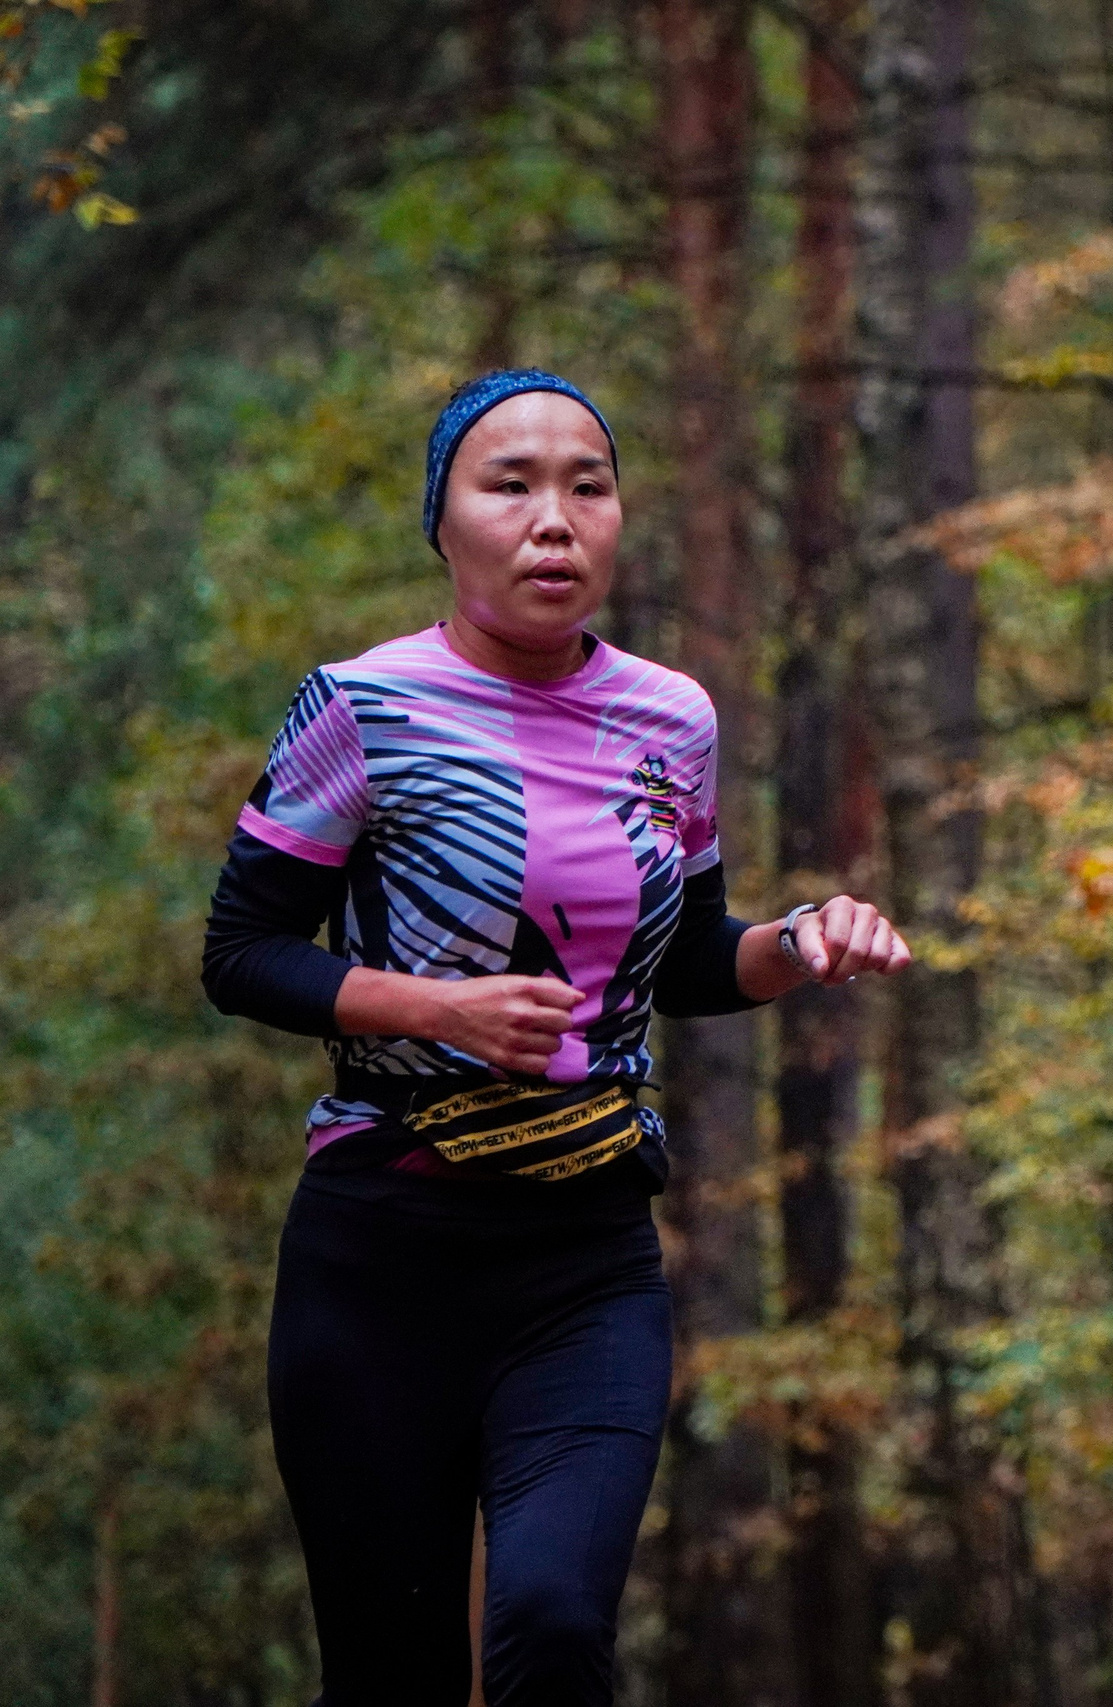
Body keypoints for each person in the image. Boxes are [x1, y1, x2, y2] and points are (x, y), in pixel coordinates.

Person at [199, 369, 910, 1706]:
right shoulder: (361, 706)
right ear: (445, 520)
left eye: (588, 484)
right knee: (391, 1673)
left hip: (582, 1257)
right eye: (509, 483)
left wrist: (799, 938)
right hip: (377, 1254)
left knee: (553, 1619)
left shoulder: (672, 717)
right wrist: (432, 1004)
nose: (554, 519)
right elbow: (239, 955)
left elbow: (687, 960)